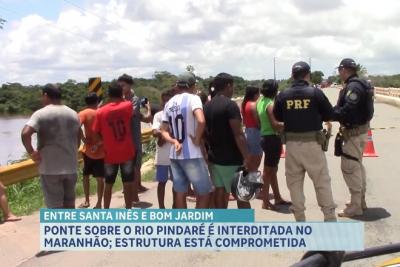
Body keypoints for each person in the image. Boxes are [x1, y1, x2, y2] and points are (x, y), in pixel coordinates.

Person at [273, 62, 337, 222]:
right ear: (308, 75)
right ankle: (330, 220)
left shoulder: (283, 95)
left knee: (294, 184)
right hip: (313, 145)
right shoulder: (315, 93)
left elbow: (279, 117)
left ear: (293, 75)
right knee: (321, 182)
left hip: (292, 146)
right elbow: (329, 114)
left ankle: (300, 221)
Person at [21, 84, 80, 209]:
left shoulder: (40, 114)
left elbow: (25, 134)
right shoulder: (74, 114)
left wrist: (32, 152)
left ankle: (57, 228)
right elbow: (78, 139)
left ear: (46, 95)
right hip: (71, 167)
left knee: (54, 207)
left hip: (50, 168)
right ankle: (70, 227)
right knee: (70, 204)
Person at [160, 72, 212, 209]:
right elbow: (201, 120)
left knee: (180, 192)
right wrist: (196, 138)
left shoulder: (169, 103)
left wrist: (173, 141)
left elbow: (163, 130)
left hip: (175, 154)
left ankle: (184, 225)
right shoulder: (193, 99)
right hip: (192, 154)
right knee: (204, 192)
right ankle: (198, 225)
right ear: (192, 85)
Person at [332, 58, 374, 217]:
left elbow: (347, 110)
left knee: (350, 167)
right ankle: (360, 201)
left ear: (344, 70)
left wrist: (329, 114)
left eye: (339, 70)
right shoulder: (359, 83)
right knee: (357, 165)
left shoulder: (354, 86)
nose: (339, 73)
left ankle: (356, 206)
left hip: (354, 133)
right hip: (360, 131)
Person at [204, 73, 252, 209]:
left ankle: (221, 223)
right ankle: (246, 226)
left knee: (219, 191)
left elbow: (203, 133)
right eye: (233, 86)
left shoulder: (207, 106)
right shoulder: (230, 106)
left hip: (215, 158)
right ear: (228, 86)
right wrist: (247, 157)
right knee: (241, 194)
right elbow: (238, 134)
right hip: (232, 158)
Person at [92, 82, 135, 209]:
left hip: (110, 153)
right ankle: (128, 210)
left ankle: (107, 211)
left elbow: (95, 133)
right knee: (127, 183)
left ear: (108, 94)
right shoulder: (127, 105)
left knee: (108, 184)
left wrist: (103, 142)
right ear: (121, 93)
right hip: (127, 152)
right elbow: (129, 108)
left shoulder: (100, 112)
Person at [117, 74, 152, 204]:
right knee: (128, 168)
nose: (120, 88)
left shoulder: (134, 100)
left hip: (133, 140)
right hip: (123, 140)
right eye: (119, 86)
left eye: (123, 85)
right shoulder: (121, 99)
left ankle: (134, 194)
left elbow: (130, 114)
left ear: (129, 85)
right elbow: (143, 118)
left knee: (135, 167)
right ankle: (132, 194)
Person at [256, 80, 291, 210]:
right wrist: (292, 122)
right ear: (275, 91)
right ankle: (265, 201)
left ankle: (277, 197)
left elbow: (258, 121)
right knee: (268, 171)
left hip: (264, 136)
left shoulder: (260, 102)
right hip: (272, 139)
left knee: (272, 170)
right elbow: (275, 125)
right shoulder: (270, 104)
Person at [78, 93, 105, 209]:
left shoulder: (83, 113)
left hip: (88, 149)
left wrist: (83, 138)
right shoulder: (102, 112)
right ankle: (99, 203)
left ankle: (87, 201)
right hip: (101, 150)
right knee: (100, 178)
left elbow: (76, 126)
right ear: (96, 101)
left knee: (85, 176)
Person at [152, 89, 175, 209]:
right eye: (164, 100)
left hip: (176, 156)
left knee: (177, 184)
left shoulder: (177, 114)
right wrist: (165, 131)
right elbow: (154, 132)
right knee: (162, 183)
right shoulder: (158, 115)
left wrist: (163, 133)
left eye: (168, 100)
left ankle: (176, 206)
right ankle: (161, 208)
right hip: (162, 157)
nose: (166, 102)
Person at [241, 85, 262, 171]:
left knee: (250, 158)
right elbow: (257, 123)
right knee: (256, 160)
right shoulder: (253, 105)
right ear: (255, 94)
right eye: (258, 94)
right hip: (255, 133)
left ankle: (249, 178)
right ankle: (253, 180)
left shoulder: (244, 104)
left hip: (247, 131)